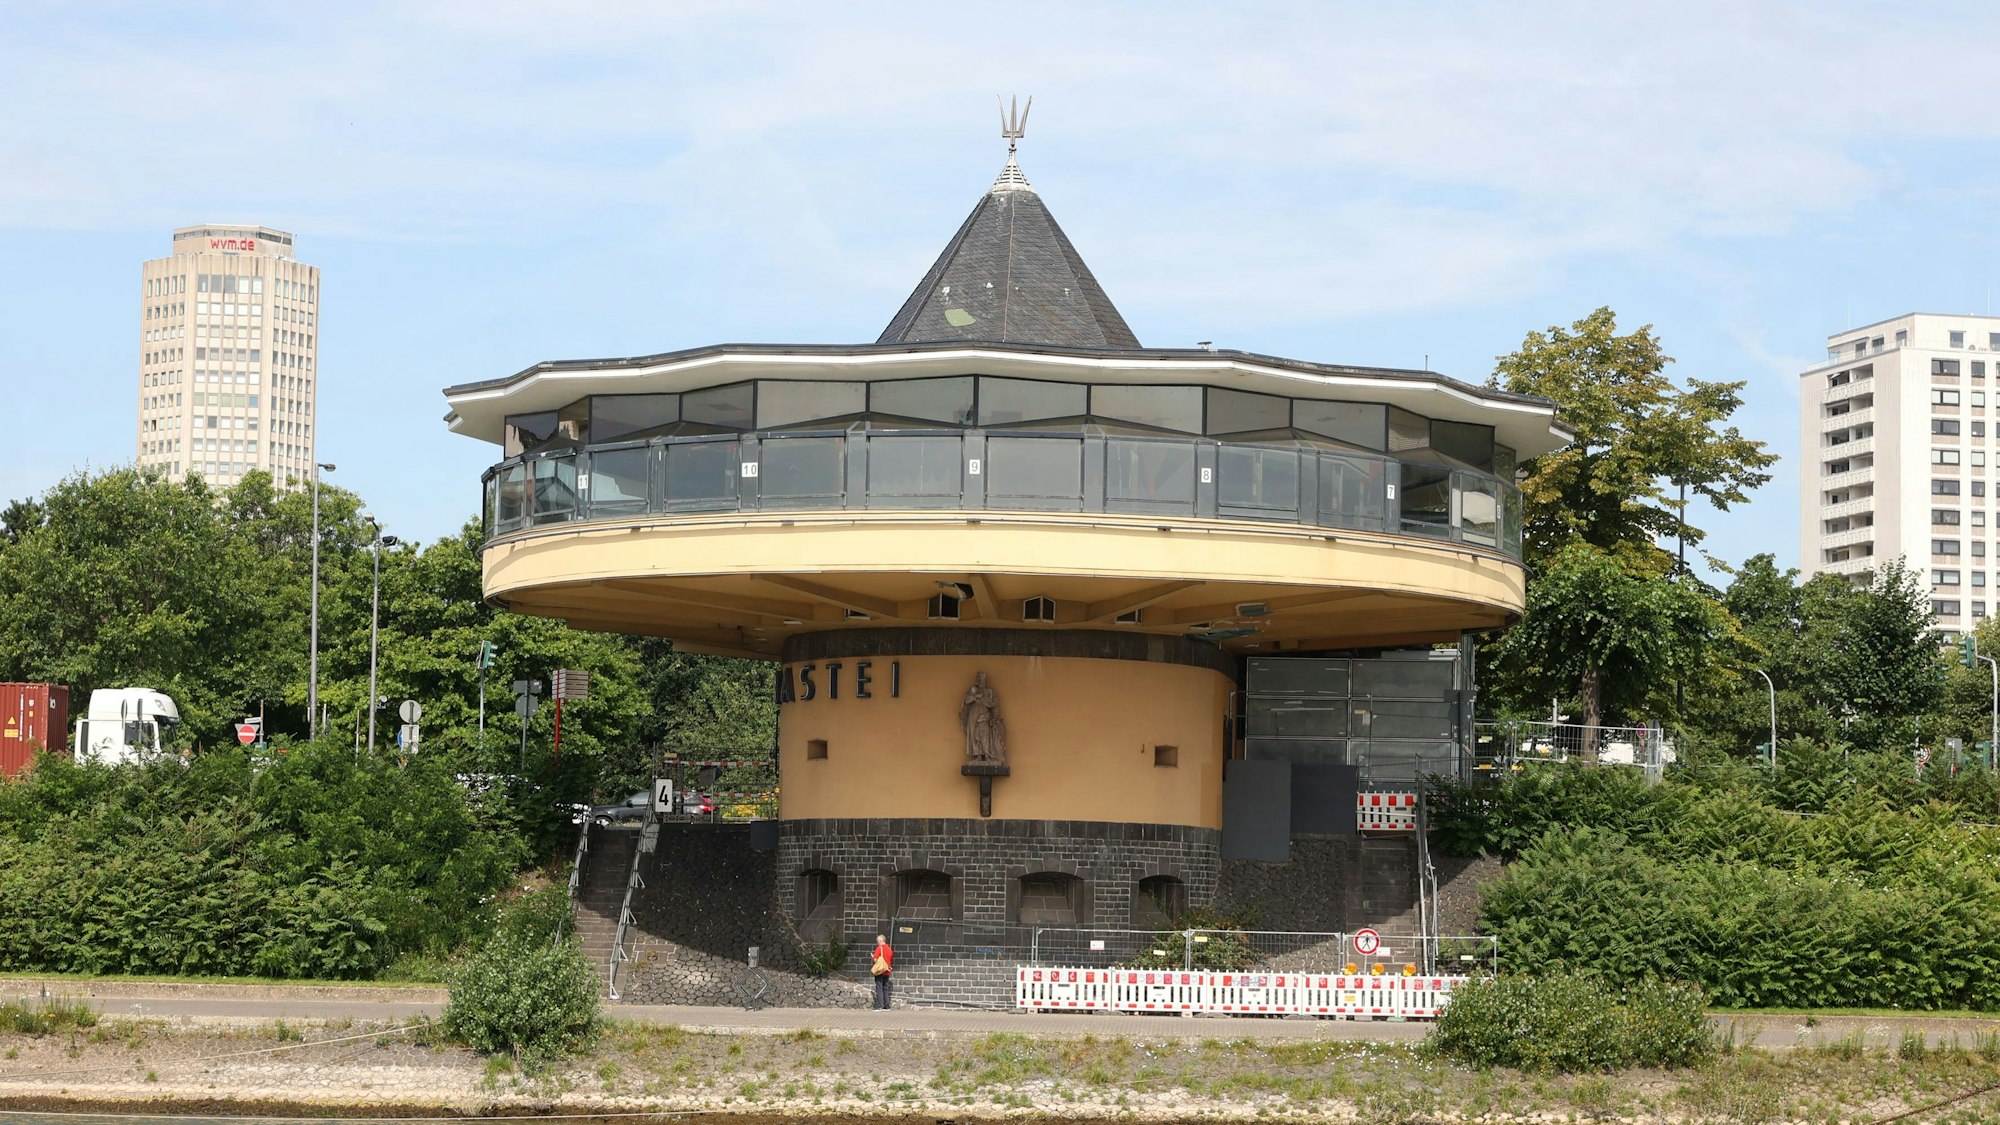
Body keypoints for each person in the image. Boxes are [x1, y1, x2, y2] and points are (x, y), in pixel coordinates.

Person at [870, 933, 894, 1010]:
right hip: (887, 971)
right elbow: (890, 960)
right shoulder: (889, 949)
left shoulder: (879, 948)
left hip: (880, 971)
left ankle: (880, 1005)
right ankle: (887, 1005)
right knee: (885, 988)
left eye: (877, 941)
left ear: (880, 940)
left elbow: (875, 959)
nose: (877, 943)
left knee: (879, 987)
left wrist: (872, 957)